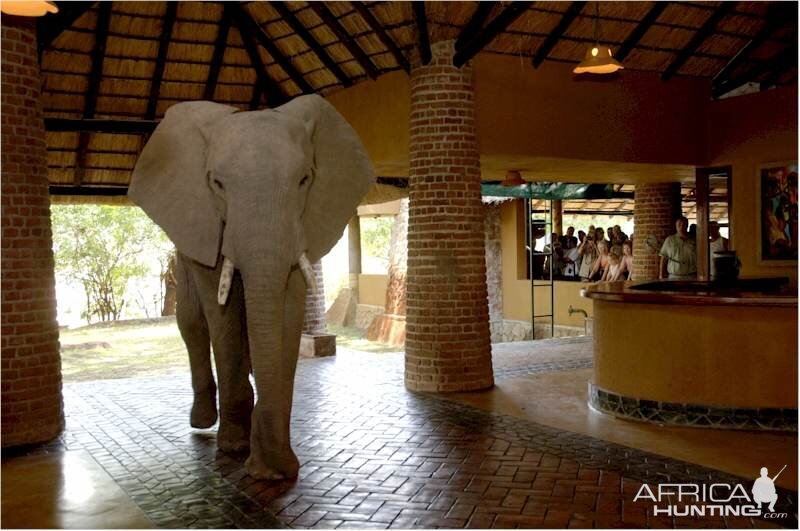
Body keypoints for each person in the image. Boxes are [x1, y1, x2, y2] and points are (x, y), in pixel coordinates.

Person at [659, 216, 697, 280]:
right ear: (676, 226)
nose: (681, 227)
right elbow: (663, 258)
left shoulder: (694, 240)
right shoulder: (669, 240)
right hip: (673, 277)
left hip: (691, 276)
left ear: (687, 226)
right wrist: (661, 275)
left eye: (684, 225)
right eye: (679, 225)